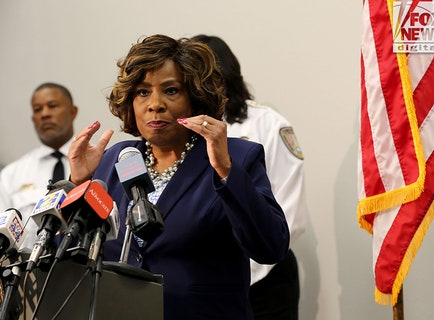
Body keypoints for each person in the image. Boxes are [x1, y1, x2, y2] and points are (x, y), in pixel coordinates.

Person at [68, 34, 289, 319]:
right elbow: (75, 254)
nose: (155, 104)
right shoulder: (117, 159)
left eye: (171, 91)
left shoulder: (236, 157)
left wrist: (226, 170)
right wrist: (79, 185)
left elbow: (270, 246)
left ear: (195, 100)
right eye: (143, 92)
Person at [193, 34, 308, 319]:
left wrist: (242, 267)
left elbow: (289, 208)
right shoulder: (181, 130)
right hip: (204, 278)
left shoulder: (268, 124)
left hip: (266, 277)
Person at [0, 82, 78, 249]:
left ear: (72, 112)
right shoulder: (13, 174)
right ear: (33, 119)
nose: (44, 114)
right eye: (38, 110)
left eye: (52, 106)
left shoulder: (97, 163)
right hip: (27, 270)